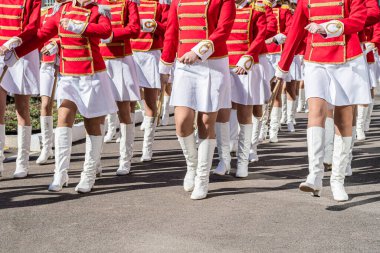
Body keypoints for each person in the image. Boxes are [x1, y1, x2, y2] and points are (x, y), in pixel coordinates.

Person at [3, 0, 118, 193]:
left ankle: (88, 174)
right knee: (63, 119)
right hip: (68, 75)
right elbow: (41, 35)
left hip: (92, 76)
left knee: (92, 124)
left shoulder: (99, 10)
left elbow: (106, 32)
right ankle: (60, 173)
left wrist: (81, 27)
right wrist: (17, 51)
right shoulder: (63, 9)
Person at [275, 0, 370, 202]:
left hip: (346, 59)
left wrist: (327, 27)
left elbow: (359, 20)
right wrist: (283, 65)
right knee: (315, 111)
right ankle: (315, 175)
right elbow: (295, 31)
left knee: (343, 119)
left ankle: (337, 179)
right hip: (315, 58)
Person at [159, 0, 235, 200]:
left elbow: (224, 28)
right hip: (185, 64)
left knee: (206, 122)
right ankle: (191, 166)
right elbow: (172, 32)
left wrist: (198, 51)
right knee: (182, 122)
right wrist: (165, 66)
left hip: (213, 64)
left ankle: (202, 178)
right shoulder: (178, 1)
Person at [213, 0, 267, 177]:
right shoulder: (220, 8)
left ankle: (243, 161)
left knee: (245, 113)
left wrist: (248, 57)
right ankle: (224, 159)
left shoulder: (256, 10)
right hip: (222, 63)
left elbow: (260, 37)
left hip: (246, 66)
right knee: (223, 112)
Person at [98, 0, 140, 176]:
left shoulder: (128, 3)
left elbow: (134, 29)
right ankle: (95, 162)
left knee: (124, 111)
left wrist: (112, 34)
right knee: (97, 113)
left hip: (121, 60)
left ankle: (125, 160)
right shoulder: (97, 3)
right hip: (99, 60)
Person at [0, 0, 41, 178]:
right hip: (1, 50)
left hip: (22, 52)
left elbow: (34, 26)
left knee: (21, 109)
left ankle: (22, 162)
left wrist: (17, 40)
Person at [131, 0, 170, 162]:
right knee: (128, 103)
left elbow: (169, 30)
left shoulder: (161, 5)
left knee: (150, 102)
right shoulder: (129, 4)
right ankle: (127, 151)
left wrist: (155, 25)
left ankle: (147, 147)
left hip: (150, 54)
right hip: (130, 53)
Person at [36, 2, 61, 165]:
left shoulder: (72, 10)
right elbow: (39, 37)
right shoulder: (45, 12)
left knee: (64, 108)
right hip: (46, 63)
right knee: (45, 105)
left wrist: (56, 44)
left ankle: (61, 147)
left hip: (66, 64)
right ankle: (47, 148)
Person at [265, 0, 292, 142]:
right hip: (261, 53)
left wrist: (276, 38)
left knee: (276, 92)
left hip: (277, 54)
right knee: (261, 93)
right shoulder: (255, 7)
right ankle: (262, 127)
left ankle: (273, 130)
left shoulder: (284, 10)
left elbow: (291, 29)